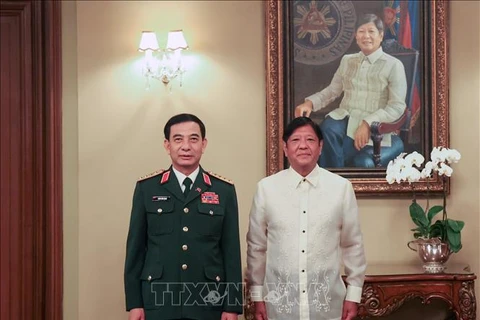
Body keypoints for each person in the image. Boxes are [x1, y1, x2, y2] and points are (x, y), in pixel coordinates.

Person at [124, 113, 243, 320]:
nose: (186, 146)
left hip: (208, 303)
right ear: (167, 145)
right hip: (158, 301)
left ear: (203, 144)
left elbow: (231, 251)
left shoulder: (223, 190)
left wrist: (231, 305)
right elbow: (135, 250)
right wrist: (134, 303)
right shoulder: (147, 188)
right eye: (178, 139)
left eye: (193, 139)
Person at [246, 117, 366, 320]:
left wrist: (353, 296)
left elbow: (353, 245)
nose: (303, 146)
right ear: (285, 148)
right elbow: (256, 247)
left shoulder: (341, 188)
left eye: (310, 140)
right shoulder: (266, 189)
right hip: (280, 307)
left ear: (320, 147)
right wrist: (257, 297)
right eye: (295, 140)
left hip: (327, 305)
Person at [295, 13, 407, 168]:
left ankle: (337, 182)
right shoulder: (348, 60)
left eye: (371, 31)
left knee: (342, 147)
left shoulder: (394, 65)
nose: (366, 36)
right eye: (361, 31)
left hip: (376, 126)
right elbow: (333, 90)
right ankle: (333, 182)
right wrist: (310, 103)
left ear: (381, 36)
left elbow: (397, 107)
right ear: (355, 36)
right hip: (345, 117)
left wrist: (368, 123)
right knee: (327, 129)